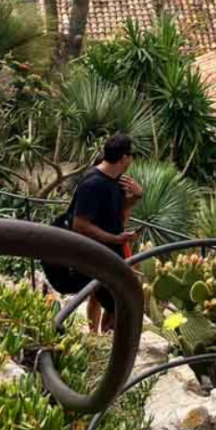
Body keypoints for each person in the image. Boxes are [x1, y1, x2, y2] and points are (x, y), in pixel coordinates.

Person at [72, 132, 143, 334]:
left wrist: (136, 196)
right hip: (95, 250)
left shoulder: (118, 181)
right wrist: (115, 238)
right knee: (107, 297)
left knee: (111, 299)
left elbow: (119, 216)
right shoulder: (92, 183)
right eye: (131, 155)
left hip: (114, 247)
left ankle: (103, 337)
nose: (131, 160)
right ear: (124, 158)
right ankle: (99, 337)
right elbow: (80, 224)